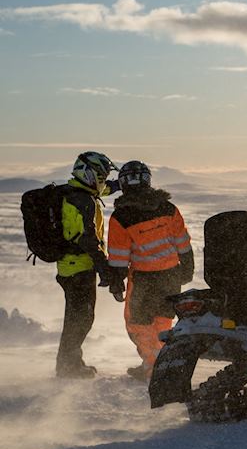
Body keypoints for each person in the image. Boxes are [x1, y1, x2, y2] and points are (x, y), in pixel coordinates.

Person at [106, 161, 194, 381]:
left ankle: (153, 368)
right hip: (172, 275)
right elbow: (182, 241)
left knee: (138, 323)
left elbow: (118, 257)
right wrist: (188, 268)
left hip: (144, 279)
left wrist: (117, 284)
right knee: (163, 321)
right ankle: (160, 363)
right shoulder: (168, 208)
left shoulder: (121, 217)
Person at [56, 151, 119, 378]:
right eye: (101, 176)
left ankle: (69, 363)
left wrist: (118, 185)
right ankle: (68, 368)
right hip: (78, 268)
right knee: (80, 319)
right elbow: (89, 241)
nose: (103, 180)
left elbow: (102, 190)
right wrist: (106, 270)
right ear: (89, 173)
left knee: (78, 318)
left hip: (73, 267)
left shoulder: (78, 192)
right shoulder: (83, 201)